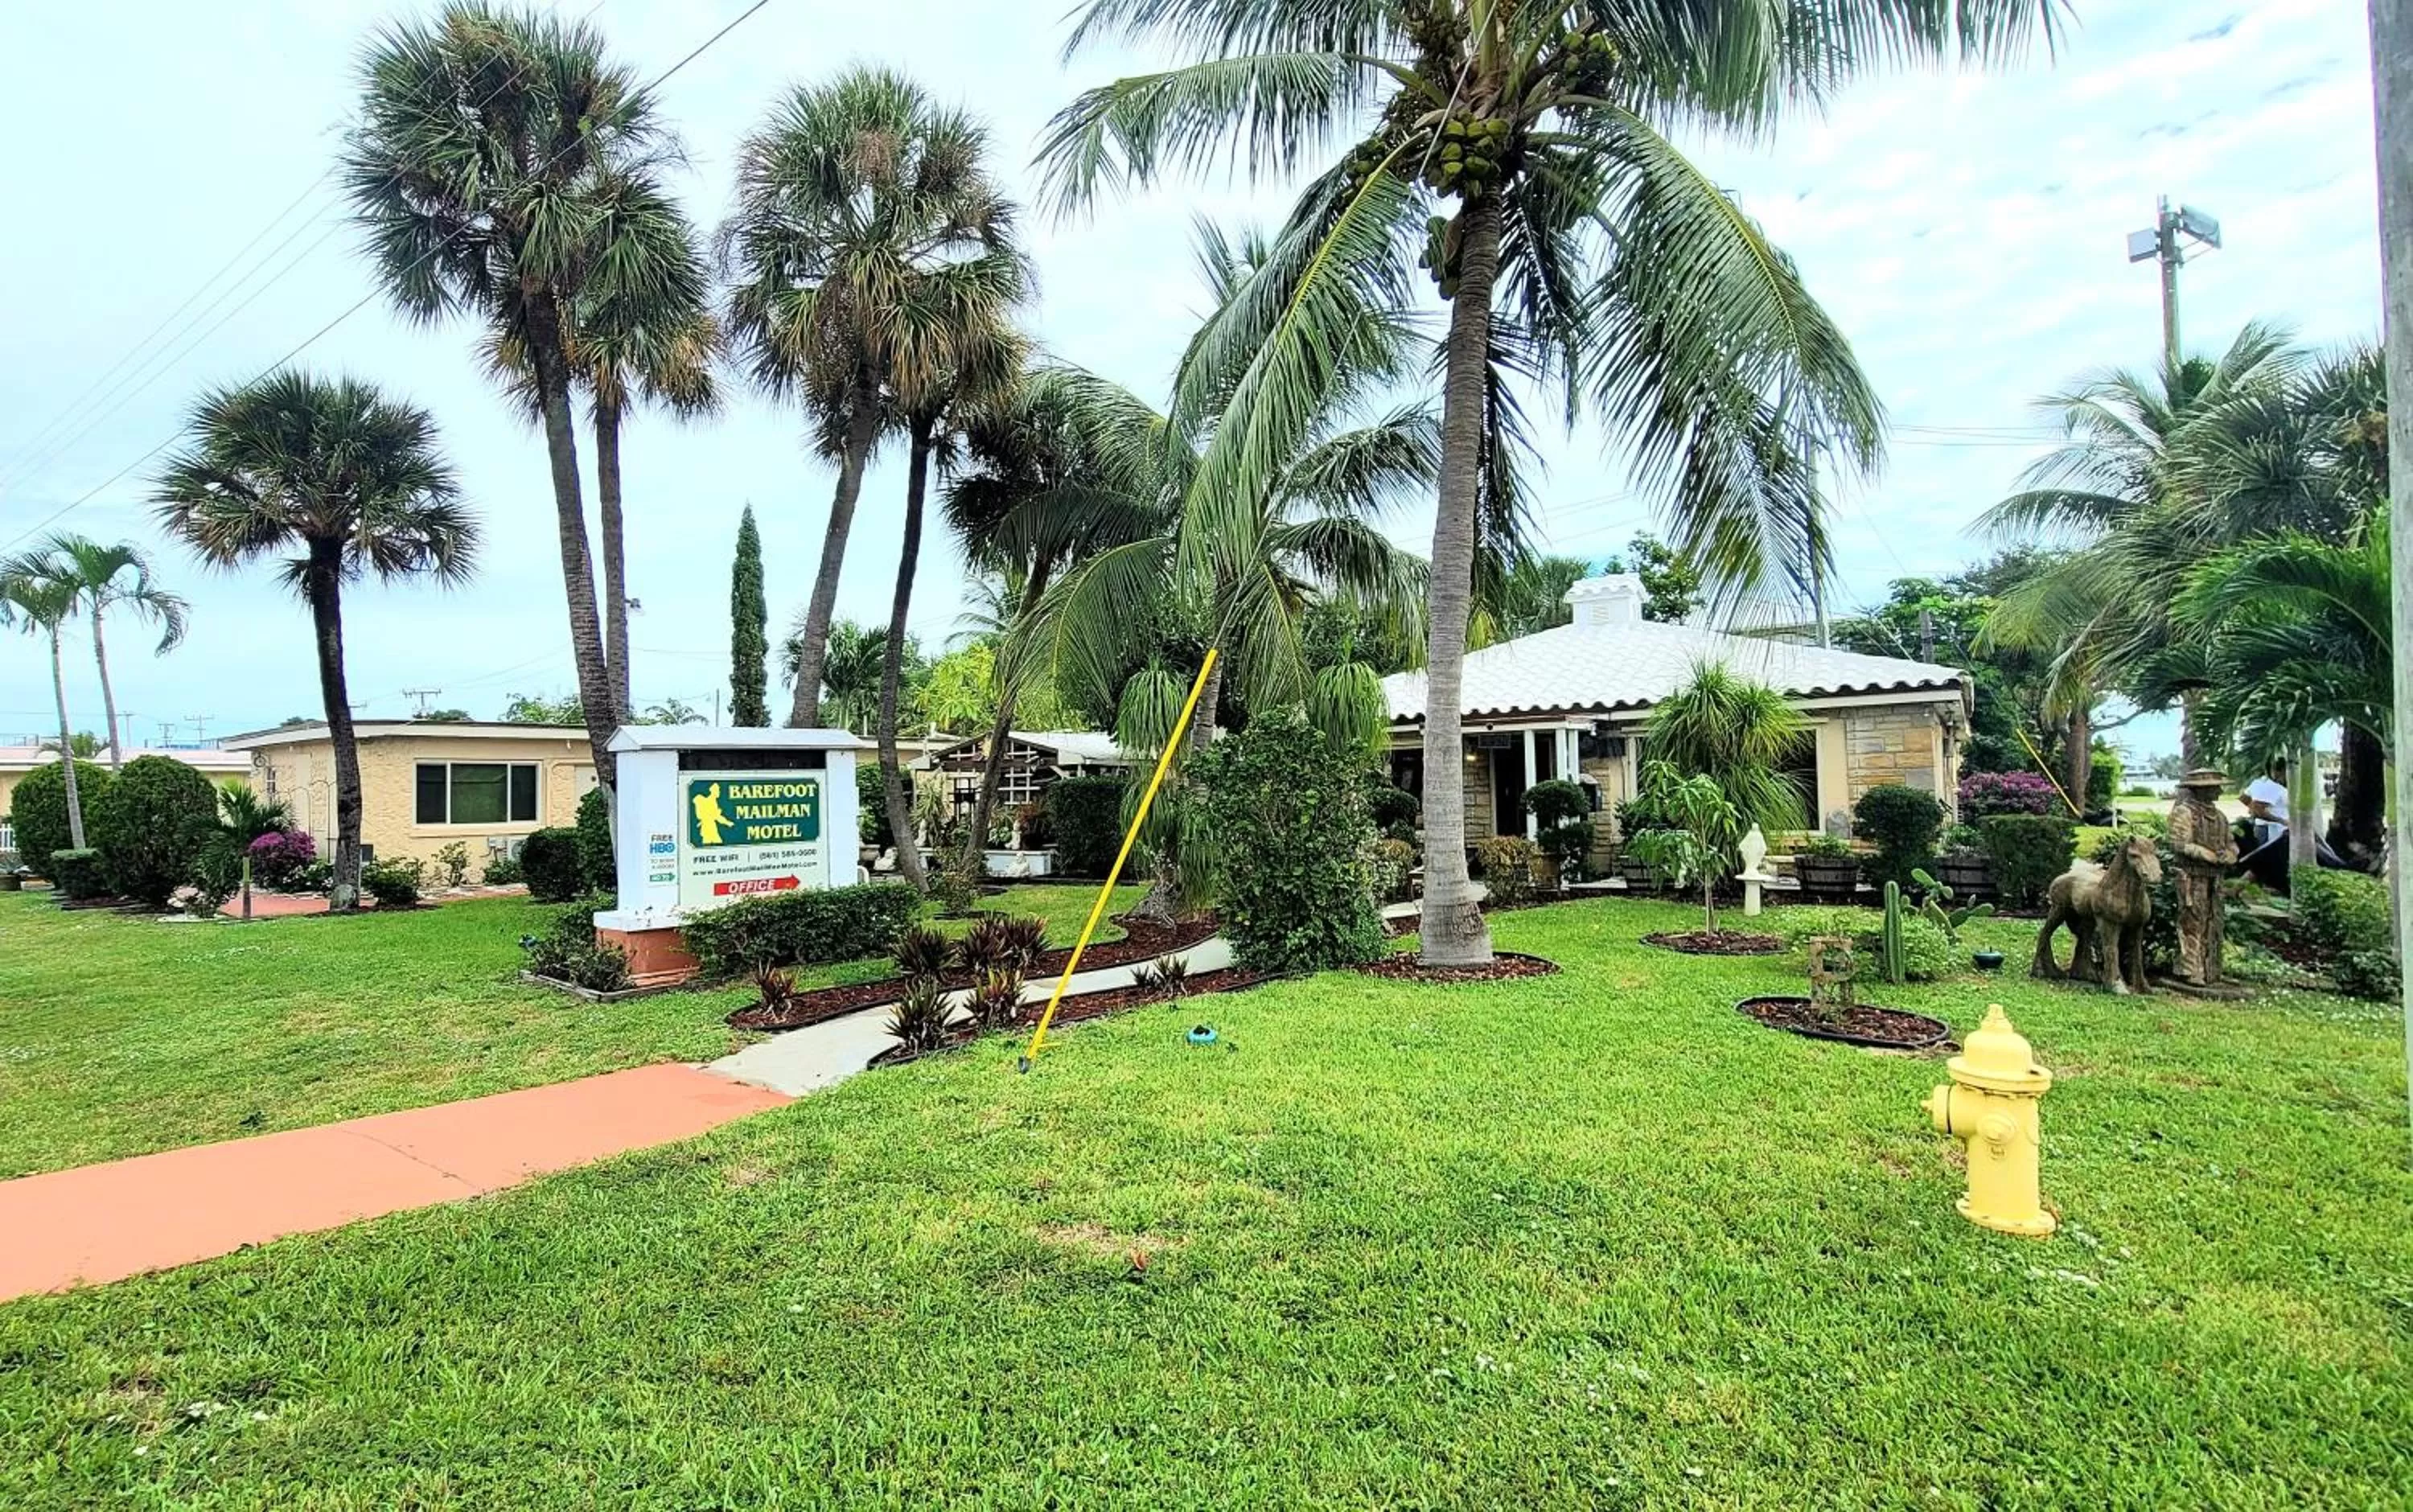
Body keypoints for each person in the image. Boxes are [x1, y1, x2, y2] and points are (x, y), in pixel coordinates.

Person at [2167, 770, 2238, 988]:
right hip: (2191, 876)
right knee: (2192, 921)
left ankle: (2211, 969)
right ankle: (2190, 969)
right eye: (2213, 787)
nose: (2218, 790)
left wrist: (2230, 854)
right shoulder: (2184, 813)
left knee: (2213, 922)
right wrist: (2205, 853)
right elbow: (2179, 844)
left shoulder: (2220, 817)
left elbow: (2231, 843)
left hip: (2215, 879)